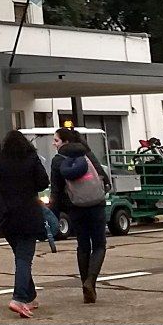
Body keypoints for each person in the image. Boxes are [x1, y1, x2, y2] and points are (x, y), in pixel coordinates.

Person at [0, 129, 49, 318]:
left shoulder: (1, 160)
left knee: (20, 256)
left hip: (6, 215)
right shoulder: (31, 158)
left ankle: (30, 296)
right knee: (24, 259)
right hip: (28, 214)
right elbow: (42, 183)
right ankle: (19, 298)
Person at [49, 127, 112, 303]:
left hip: (76, 207)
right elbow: (103, 176)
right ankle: (91, 281)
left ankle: (85, 286)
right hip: (96, 204)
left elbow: (55, 191)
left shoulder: (57, 160)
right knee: (99, 244)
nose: (54, 144)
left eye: (56, 140)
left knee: (83, 245)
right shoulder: (87, 153)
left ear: (66, 142)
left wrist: (53, 217)